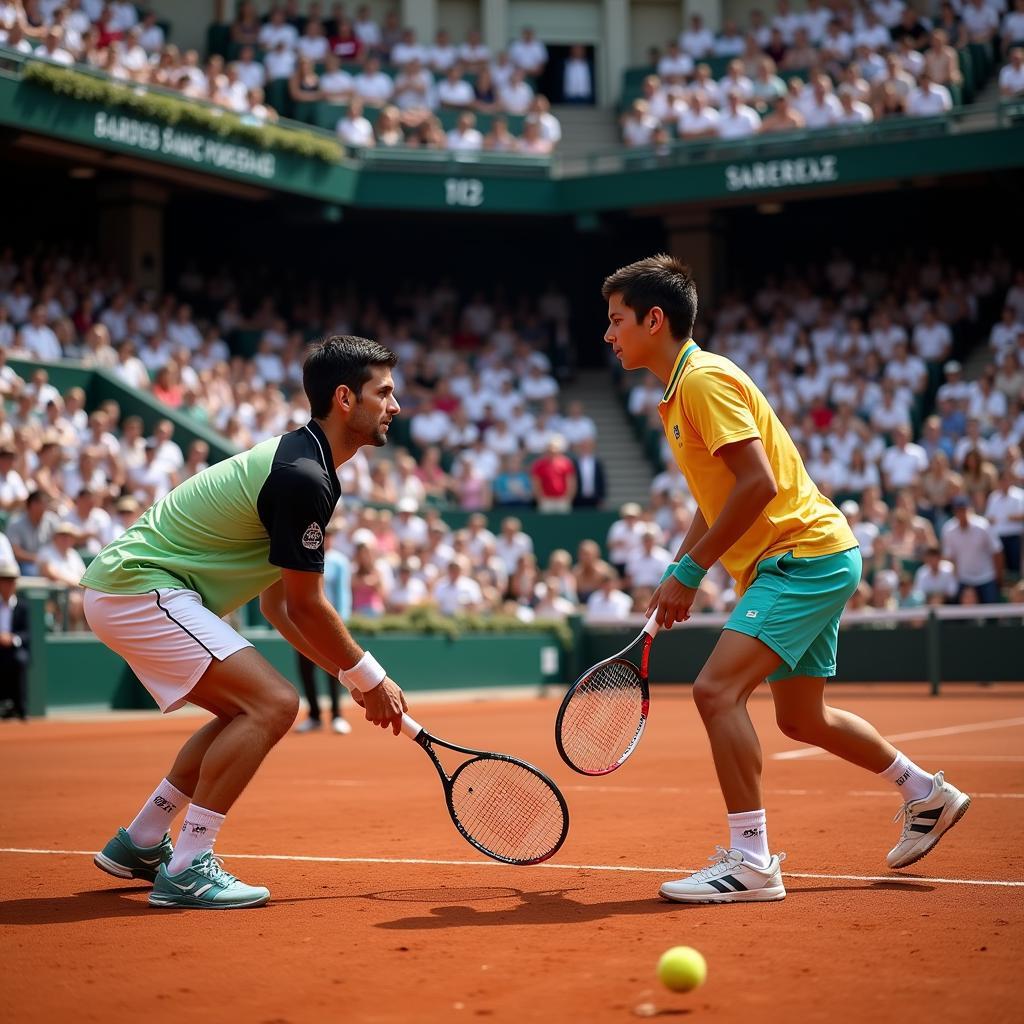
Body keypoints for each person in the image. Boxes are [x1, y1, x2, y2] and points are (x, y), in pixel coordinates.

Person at [602, 255, 970, 904]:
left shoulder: (702, 382)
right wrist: (676, 567)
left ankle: (751, 862)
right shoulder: (680, 391)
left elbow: (758, 485)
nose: (609, 334)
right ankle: (926, 794)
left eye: (617, 320)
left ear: (654, 320)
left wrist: (692, 570)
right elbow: (719, 495)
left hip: (800, 557)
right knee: (801, 718)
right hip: (810, 555)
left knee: (716, 692)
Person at [82, 337, 408, 910]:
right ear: (343, 398)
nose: (395, 404)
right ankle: (186, 868)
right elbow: (305, 607)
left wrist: (353, 680)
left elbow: (278, 608)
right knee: (274, 704)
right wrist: (371, 678)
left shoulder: (310, 466)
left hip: (133, 590)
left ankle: (141, 840)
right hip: (139, 587)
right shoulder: (303, 475)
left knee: (248, 708)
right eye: (383, 392)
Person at [295, 519, 352, 735]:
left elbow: (343, 594)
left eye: (330, 534)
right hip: (303, 625)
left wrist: (341, 623)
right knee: (306, 671)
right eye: (323, 533)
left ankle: (337, 715)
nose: (326, 538)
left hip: (330, 624)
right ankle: (314, 716)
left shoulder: (339, 562)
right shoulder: (304, 557)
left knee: (335, 671)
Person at [0, 561, 30, 721]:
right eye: (4, 580)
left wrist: (13, 639)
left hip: (15, 649)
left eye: (11, 581)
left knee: (20, 660)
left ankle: (21, 709)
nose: (7, 584)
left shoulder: (23, 607)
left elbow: (27, 633)